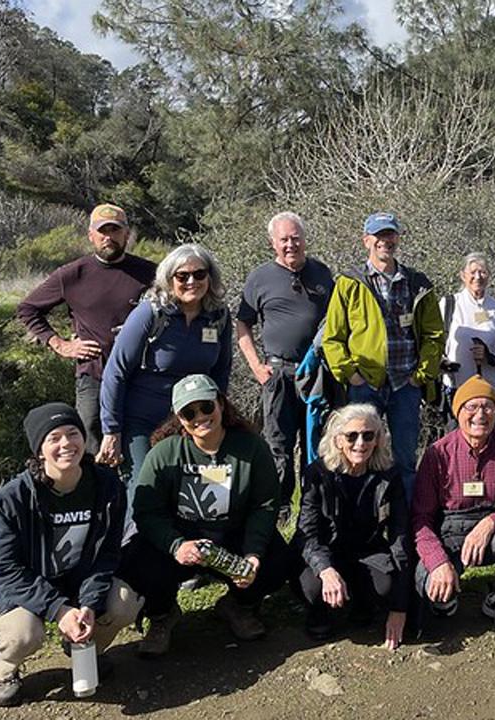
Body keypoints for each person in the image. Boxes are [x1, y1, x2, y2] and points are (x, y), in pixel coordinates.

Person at [0, 403, 143, 706]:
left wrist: (89, 605)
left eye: (73, 433)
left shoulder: (107, 486)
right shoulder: (11, 500)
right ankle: (3, 670)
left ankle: (84, 649)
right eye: (54, 438)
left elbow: (106, 554)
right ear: (39, 450)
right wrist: (58, 609)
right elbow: (4, 571)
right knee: (23, 633)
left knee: (123, 603)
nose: (66, 444)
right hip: (16, 591)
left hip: (75, 584)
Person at [121, 375, 292, 655]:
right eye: (189, 412)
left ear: (221, 405)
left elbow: (265, 504)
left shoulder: (251, 448)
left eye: (206, 407)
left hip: (232, 535)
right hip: (182, 538)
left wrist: (253, 553)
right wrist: (175, 545)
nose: (200, 416)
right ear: (179, 418)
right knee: (137, 562)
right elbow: (147, 511)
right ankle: (162, 615)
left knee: (277, 561)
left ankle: (237, 605)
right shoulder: (164, 453)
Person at [98, 243, 232, 513]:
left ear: (210, 277)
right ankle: (134, 551)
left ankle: (201, 552)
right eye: (182, 276)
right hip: (142, 421)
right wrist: (111, 430)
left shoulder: (218, 317)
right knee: (145, 493)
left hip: (195, 421)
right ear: (169, 280)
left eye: (199, 274)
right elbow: (116, 372)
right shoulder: (151, 314)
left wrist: (217, 418)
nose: (191, 281)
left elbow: (220, 372)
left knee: (208, 496)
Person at [411, 376, 495, 634]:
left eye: (488, 406)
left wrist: (489, 524)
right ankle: (447, 588)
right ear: (458, 411)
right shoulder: (437, 454)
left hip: (494, 524)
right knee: (431, 583)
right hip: (449, 529)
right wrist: (438, 562)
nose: (480, 414)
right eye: (471, 407)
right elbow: (421, 519)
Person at [15, 204, 156, 454]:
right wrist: (61, 345)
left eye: (115, 230)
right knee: (90, 447)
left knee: (142, 443)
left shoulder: (151, 273)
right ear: (91, 235)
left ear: (127, 234)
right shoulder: (72, 274)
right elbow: (27, 309)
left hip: (141, 375)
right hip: (94, 375)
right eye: (102, 231)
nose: (108, 237)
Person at [321, 212, 444, 498]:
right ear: (366, 241)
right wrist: (351, 376)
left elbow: (434, 335)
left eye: (389, 235)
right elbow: (333, 338)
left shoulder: (417, 283)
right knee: (358, 459)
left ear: (397, 238)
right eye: (378, 236)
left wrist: (421, 376)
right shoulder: (349, 283)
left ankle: (408, 529)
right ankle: (361, 524)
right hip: (365, 388)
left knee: (405, 460)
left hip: (405, 386)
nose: (384, 241)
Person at [236, 211, 335, 521]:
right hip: (278, 373)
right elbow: (242, 324)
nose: (291, 245)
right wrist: (256, 366)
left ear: (305, 240)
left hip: (316, 374)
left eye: (296, 238)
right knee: (278, 445)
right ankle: (279, 513)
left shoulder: (321, 273)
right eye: (284, 240)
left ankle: (314, 507)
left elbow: (335, 320)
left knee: (316, 442)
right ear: (272, 244)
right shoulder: (260, 277)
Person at [292, 404, 410, 647]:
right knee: (313, 587)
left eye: (368, 435)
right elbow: (308, 533)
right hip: (327, 551)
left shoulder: (389, 474)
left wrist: (400, 606)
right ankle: (319, 614)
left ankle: (361, 604)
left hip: (367, 551)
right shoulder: (318, 474)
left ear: (378, 439)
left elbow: (400, 534)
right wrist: (325, 569)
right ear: (337, 440)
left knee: (385, 585)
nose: (360, 443)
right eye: (351, 436)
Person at [439, 253, 495, 423]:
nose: (477, 277)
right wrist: (443, 364)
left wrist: (490, 357)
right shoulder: (449, 304)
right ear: (462, 275)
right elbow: (435, 343)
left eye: (483, 272)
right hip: (456, 389)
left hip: (491, 391)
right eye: (472, 272)